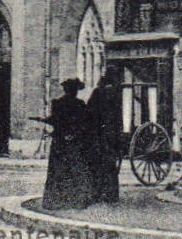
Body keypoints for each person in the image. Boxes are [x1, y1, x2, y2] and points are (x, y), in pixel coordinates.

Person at [38, 79, 94, 210]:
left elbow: (55, 121)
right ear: (75, 91)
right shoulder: (80, 104)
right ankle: (76, 201)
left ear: (65, 90)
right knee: (76, 171)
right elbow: (85, 123)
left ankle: (56, 201)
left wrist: (44, 120)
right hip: (75, 142)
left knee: (58, 171)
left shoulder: (57, 103)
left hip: (60, 142)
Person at [85, 66, 124, 203]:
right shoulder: (116, 93)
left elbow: (89, 112)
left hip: (97, 133)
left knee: (96, 163)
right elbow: (118, 117)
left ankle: (97, 192)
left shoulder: (97, 92)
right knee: (110, 164)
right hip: (110, 134)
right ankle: (111, 194)